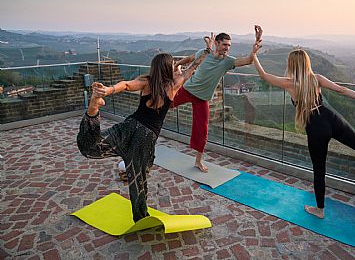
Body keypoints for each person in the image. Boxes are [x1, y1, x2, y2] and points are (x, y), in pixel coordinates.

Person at [76, 37, 213, 222]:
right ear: (167, 67)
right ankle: (140, 217)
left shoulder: (146, 81)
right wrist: (207, 50)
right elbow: (193, 67)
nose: (175, 66)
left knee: (92, 146)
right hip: (146, 135)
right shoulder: (174, 84)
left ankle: (93, 110)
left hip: (130, 124)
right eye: (172, 64)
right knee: (138, 177)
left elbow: (125, 85)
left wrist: (107, 90)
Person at [252, 46, 355, 219]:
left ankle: (320, 210)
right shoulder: (317, 79)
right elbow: (341, 90)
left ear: (291, 65)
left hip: (315, 127)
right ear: (307, 63)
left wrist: (254, 55)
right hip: (331, 118)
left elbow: (264, 75)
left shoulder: (289, 83)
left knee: (319, 170)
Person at [172, 25, 263, 172]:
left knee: (202, 130)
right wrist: (177, 65)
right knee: (163, 105)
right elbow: (189, 58)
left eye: (229, 45)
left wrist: (256, 43)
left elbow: (248, 61)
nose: (227, 48)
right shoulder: (204, 53)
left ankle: (198, 161)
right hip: (187, 90)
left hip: (202, 99)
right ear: (217, 43)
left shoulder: (227, 61)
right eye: (225, 44)